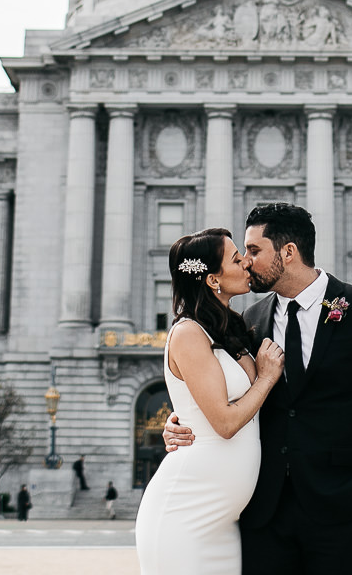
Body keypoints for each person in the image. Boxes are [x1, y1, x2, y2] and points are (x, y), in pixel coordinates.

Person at [161, 202, 352, 575]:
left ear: (288, 252)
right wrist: (180, 420)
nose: (247, 262)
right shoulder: (247, 322)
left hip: (345, 510)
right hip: (264, 513)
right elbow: (221, 391)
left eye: (253, 251)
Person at [137, 227, 285, 573]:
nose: (246, 264)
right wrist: (265, 378)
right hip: (186, 513)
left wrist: (179, 419)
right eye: (236, 259)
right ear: (212, 279)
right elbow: (225, 423)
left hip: (224, 521)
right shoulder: (188, 333)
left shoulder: (232, 328)